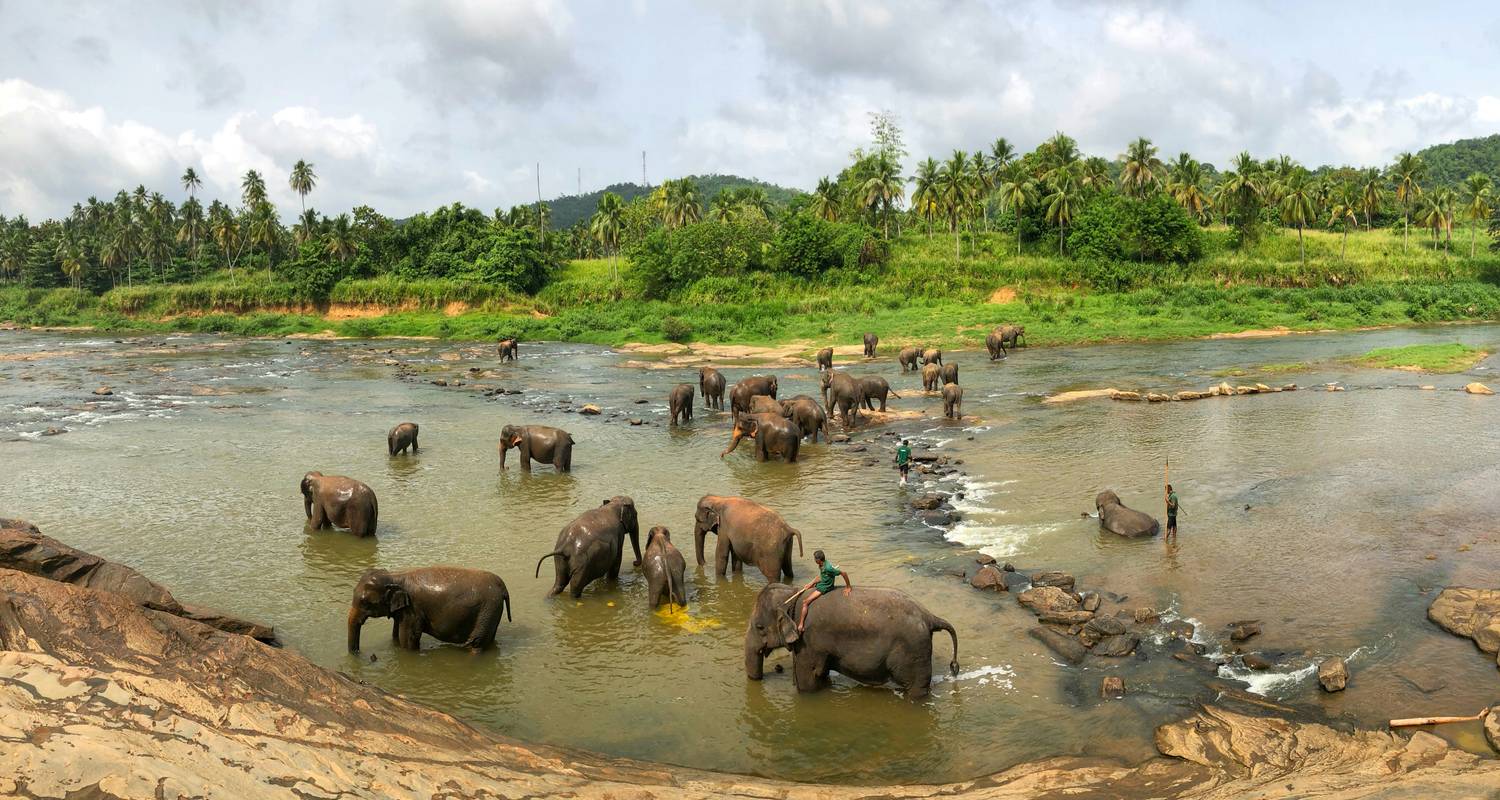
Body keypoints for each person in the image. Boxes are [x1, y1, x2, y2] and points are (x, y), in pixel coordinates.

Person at [796, 549, 851, 633]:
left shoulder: (828, 568)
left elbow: (844, 573)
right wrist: (811, 584)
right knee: (810, 585)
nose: (814, 560)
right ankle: (812, 585)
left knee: (805, 602)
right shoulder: (822, 564)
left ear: (818, 560)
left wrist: (848, 587)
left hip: (825, 587)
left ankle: (801, 624)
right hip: (822, 582)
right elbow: (821, 576)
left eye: (815, 559)